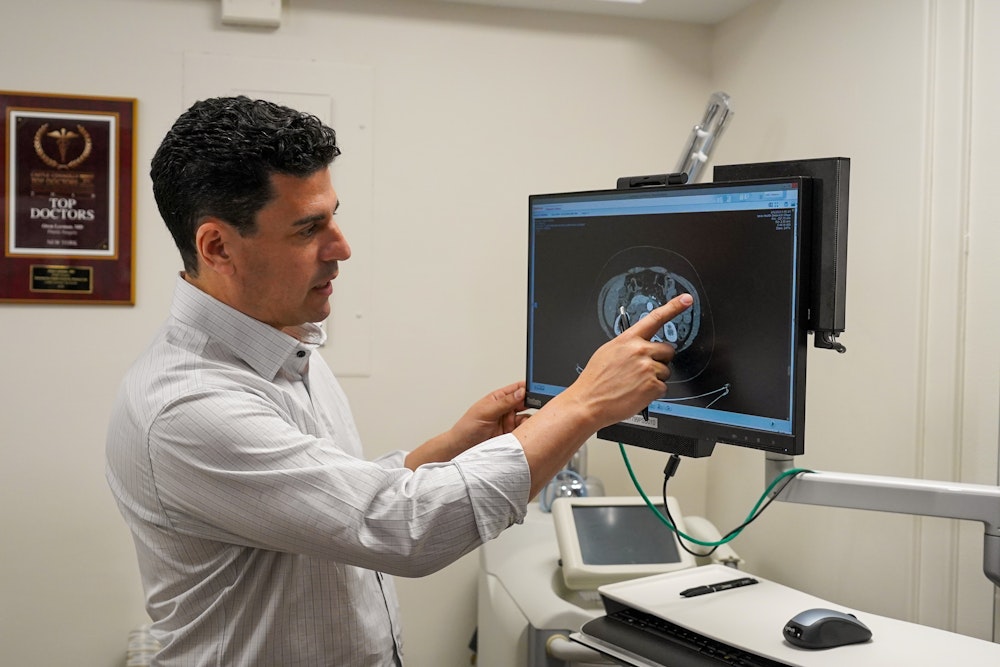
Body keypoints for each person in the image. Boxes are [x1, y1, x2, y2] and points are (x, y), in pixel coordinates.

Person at [105, 95, 692, 667]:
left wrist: (453, 448)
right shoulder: (190, 406)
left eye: (334, 215)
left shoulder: (281, 340)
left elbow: (338, 502)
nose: (342, 247)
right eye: (308, 229)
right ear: (217, 246)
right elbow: (401, 530)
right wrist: (584, 405)